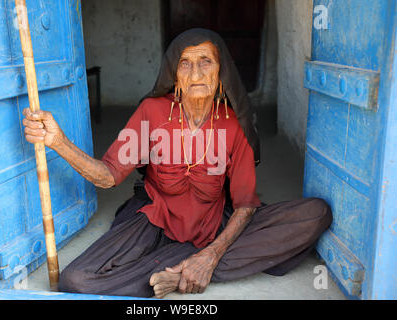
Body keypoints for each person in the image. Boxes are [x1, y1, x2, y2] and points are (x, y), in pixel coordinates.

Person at [22, 28, 332, 298]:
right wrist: (57, 142)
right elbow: (107, 176)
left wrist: (210, 256)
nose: (196, 73)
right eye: (185, 64)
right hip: (154, 216)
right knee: (76, 280)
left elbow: (245, 206)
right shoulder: (152, 112)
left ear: (221, 71)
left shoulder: (232, 124)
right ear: (175, 75)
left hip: (214, 222)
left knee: (315, 214)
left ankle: (189, 267)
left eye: (205, 62)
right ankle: (186, 270)